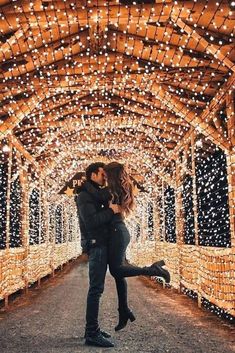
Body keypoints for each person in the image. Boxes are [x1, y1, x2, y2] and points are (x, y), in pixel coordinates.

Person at [103, 162, 170, 331]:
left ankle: (154, 270)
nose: (103, 177)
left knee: (117, 270)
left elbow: (109, 211)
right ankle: (123, 311)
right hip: (119, 232)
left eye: (105, 174)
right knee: (120, 273)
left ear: (110, 175)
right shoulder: (120, 189)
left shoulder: (110, 192)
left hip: (117, 232)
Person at [75, 162, 120, 348]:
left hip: (100, 244)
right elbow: (92, 222)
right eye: (102, 174)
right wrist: (111, 211)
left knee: (97, 289)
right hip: (96, 245)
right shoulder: (85, 196)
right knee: (95, 290)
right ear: (93, 175)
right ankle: (92, 333)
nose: (105, 177)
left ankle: (92, 329)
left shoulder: (93, 194)